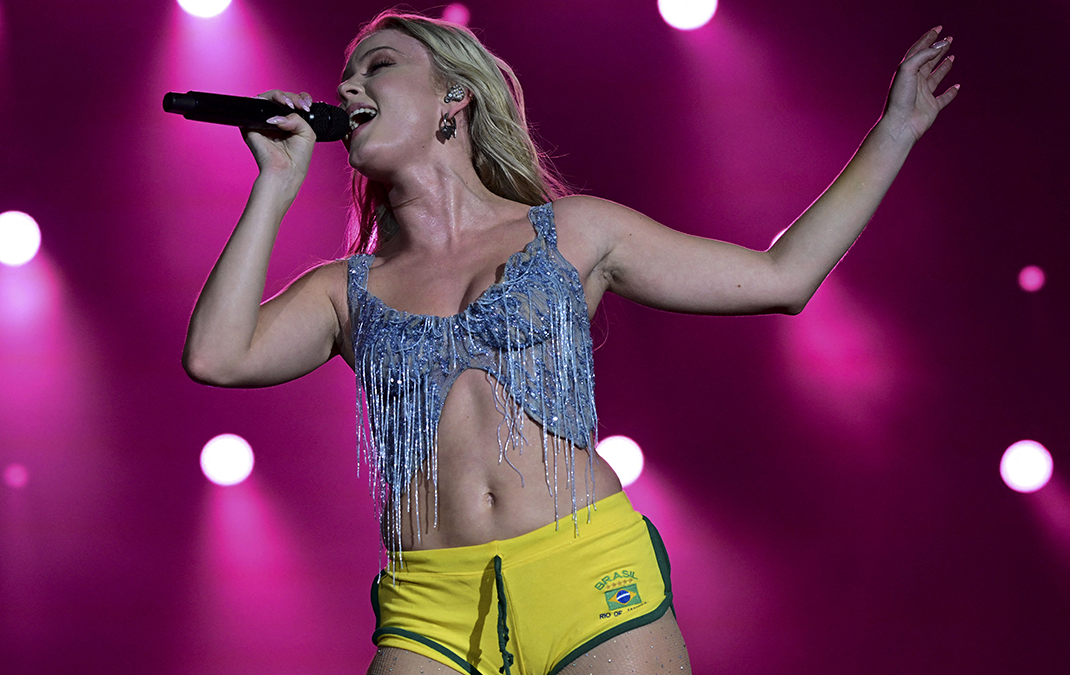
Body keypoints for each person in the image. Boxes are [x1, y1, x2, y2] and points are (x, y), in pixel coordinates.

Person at [182, 9, 958, 675]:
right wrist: (272, 188)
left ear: (456, 96)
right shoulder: (344, 289)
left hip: (588, 571)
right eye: (345, 75)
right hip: (432, 602)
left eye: (376, 68)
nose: (348, 88)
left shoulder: (574, 231)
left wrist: (895, 131)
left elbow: (783, 276)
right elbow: (218, 356)